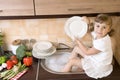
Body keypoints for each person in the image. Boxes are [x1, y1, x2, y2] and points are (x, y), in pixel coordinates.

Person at [62, 14, 113, 79]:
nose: (100, 30)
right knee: (76, 48)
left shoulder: (103, 43)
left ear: (109, 29)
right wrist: (87, 22)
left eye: (104, 27)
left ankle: (61, 76)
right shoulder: (99, 34)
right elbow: (89, 31)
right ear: (94, 25)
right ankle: (69, 64)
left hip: (98, 66)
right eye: (98, 26)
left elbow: (87, 52)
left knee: (72, 61)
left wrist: (78, 41)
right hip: (96, 58)